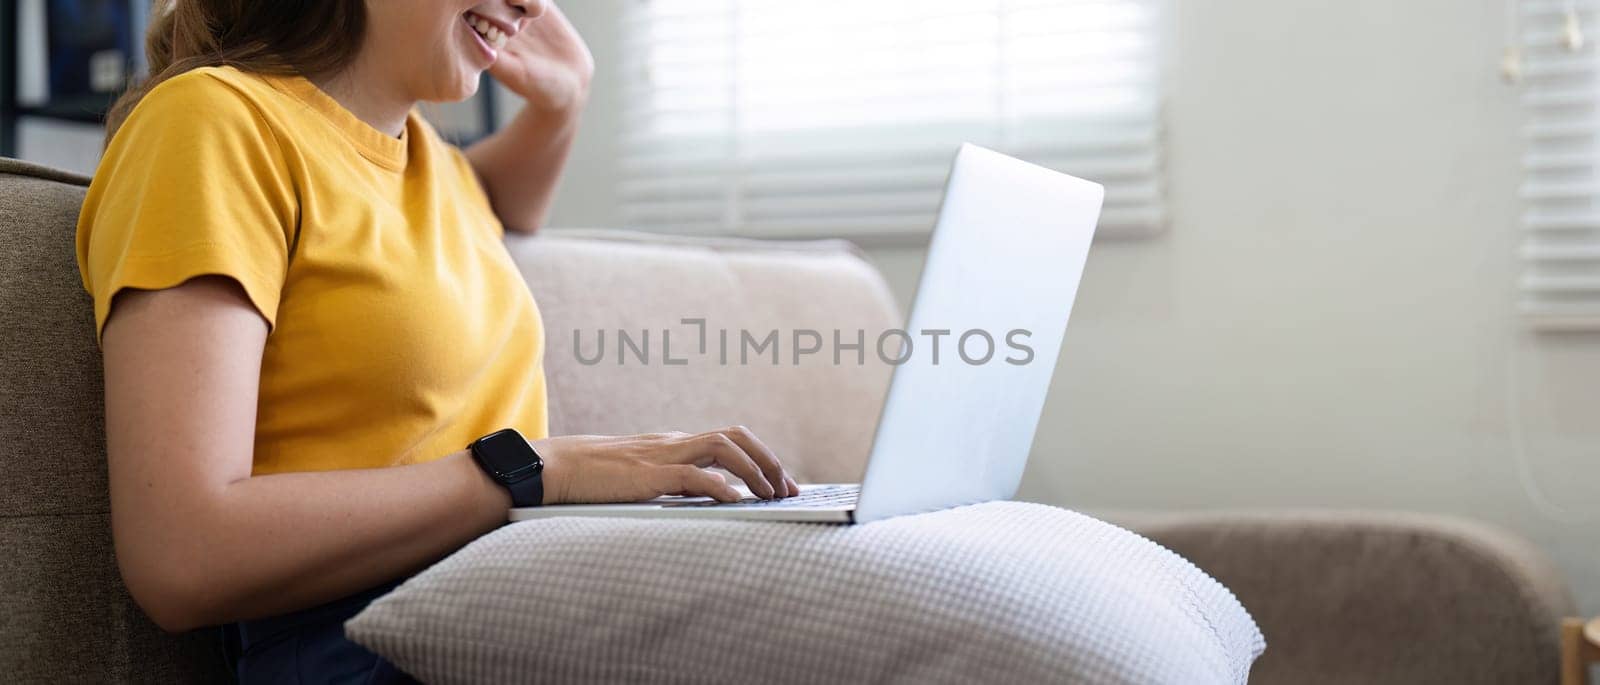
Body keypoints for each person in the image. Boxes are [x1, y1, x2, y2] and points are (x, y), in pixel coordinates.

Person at [75, 1, 797, 681]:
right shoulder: (212, 123)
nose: (537, 9)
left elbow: (509, 203)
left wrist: (565, 99)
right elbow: (181, 554)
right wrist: (532, 469)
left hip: (512, 592)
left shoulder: (429, 161)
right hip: (368, 637)